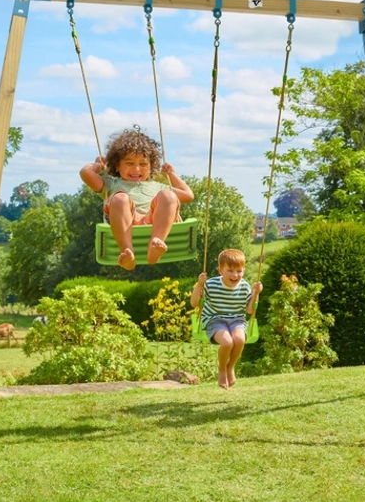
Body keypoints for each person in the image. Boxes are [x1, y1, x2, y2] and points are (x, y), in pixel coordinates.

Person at [79, 126, 194, 270]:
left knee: (169, 196)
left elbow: (188, 195)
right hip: (125, 222)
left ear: (152, 166)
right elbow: (85, 173)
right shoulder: (111, 183)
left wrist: (171, 175)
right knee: (120, 198)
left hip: (155, 223)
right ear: (117, 165)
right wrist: (98, 166)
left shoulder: (158, 186)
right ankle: (127, 252)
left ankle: (156, 243)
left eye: (143, 164)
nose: (136, 169)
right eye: (129, 163)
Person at [191, 249, 263, 390]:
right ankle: (222, 369)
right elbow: (194, 303)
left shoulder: (245, 287)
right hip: (214, 319)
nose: (235, 275)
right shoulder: (211, 285)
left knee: (239, 339)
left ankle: (230, 366)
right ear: (220, 270)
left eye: (239, 271)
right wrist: (199, 285)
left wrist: (256, 293)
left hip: (237, 319)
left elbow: (249, 310)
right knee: (227, 342)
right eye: (230, 270)